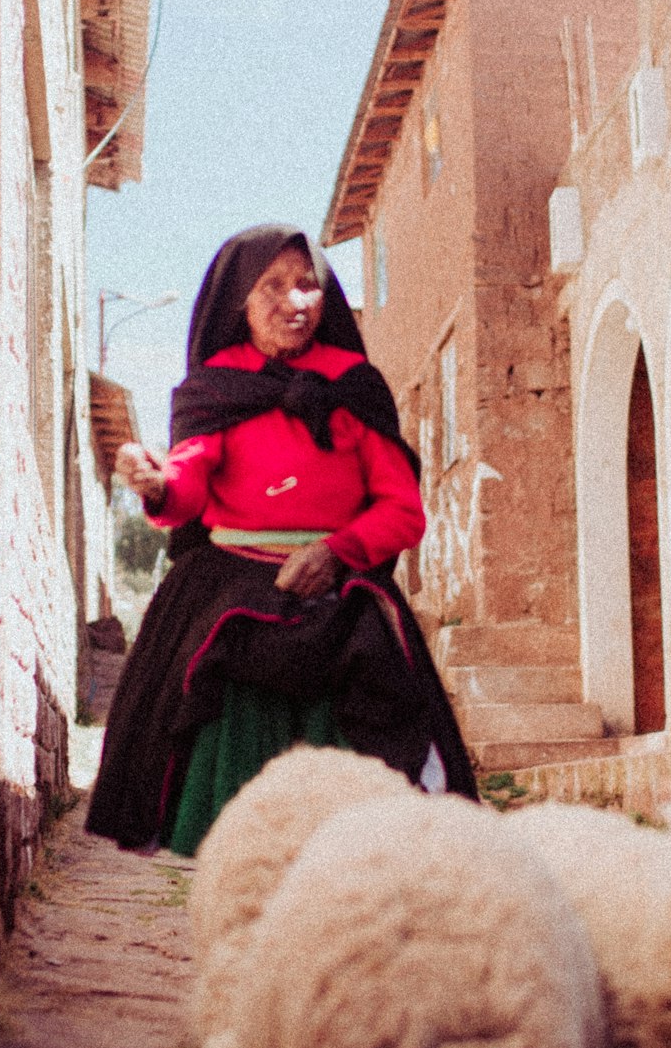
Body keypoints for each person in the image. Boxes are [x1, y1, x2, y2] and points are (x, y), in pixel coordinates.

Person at [85, 223, 477, 854]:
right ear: (240, 300)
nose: (295, 301)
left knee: (377, 663)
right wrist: (157, 483)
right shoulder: (216, 387)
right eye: (273, 286)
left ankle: (372, 850)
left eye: (307, 284)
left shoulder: (355, 386)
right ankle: (231, 854)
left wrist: (334, 552)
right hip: (235, 573)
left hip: (340, 579)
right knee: (200, 659)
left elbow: (403, 512)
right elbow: (188, 482)